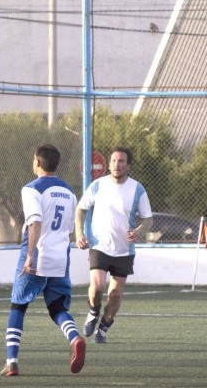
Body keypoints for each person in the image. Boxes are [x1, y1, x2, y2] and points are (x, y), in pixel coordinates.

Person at [0, 143, 86, 377]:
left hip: (37, 255)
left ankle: (12, 361)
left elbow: (35, 222)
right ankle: (75, 337)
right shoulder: (69, 191)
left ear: (38, 162)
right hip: (61, 257)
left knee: (18, 305)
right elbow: (68, 228)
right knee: (57, 306)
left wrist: (29, 256)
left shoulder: (31, 189)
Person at [75, 146, 152, 344]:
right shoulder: (97, 185)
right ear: (109, 164)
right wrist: (79, 234)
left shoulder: (138, 189)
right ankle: (93, 312)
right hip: (99, 245)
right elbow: (80, 209)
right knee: (98, 286)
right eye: (114, 161)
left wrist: (138, 232)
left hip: (124, 250)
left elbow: (148, 219)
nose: (117, 164)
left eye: (121, 161)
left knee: (115, 294)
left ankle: (104, 328)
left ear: (129, 166)